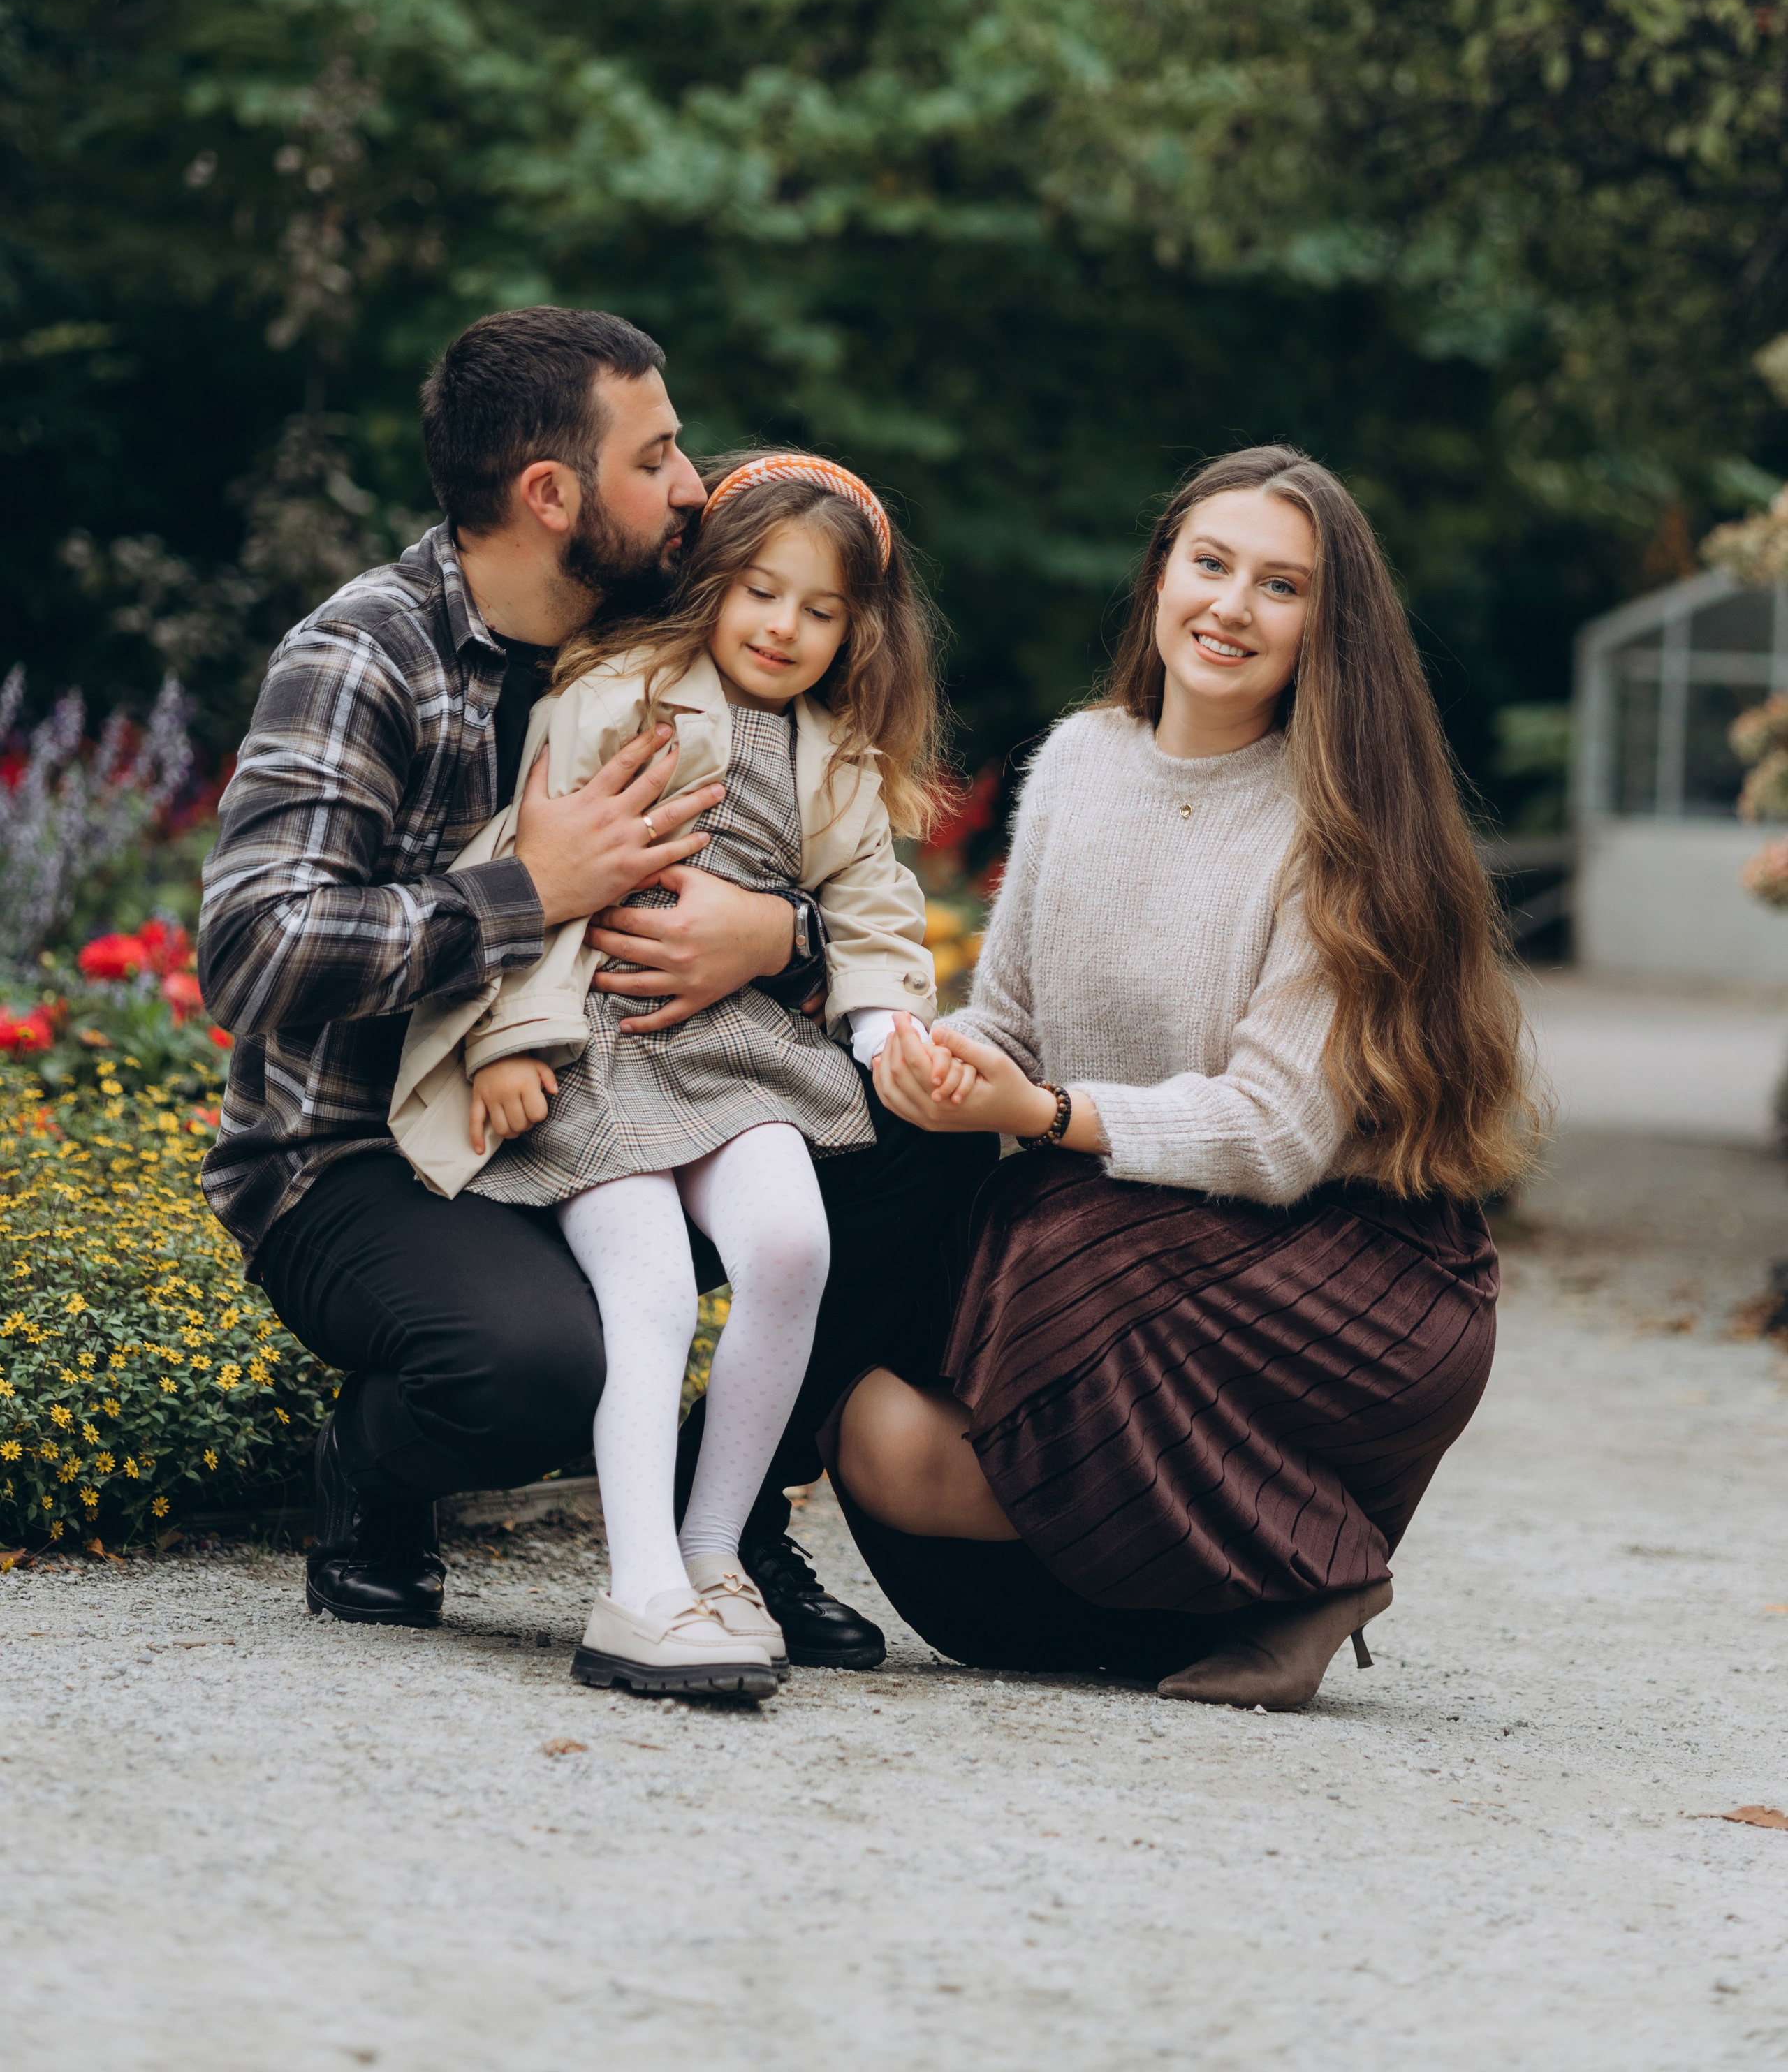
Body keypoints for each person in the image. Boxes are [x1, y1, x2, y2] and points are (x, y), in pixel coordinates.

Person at [196, 307, 988, 1660]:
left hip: (636, 1079)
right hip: (364, 1149)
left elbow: (819, 852)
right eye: (657, 456)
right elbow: (254, 949)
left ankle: (726, 1527)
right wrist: (529, 892)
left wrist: (780, 938)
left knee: (930, 1145)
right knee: (545, 1366)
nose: (691, 487)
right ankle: (372, 1466)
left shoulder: (680, 619)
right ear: (551, 495)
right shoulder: (365, 654)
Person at [833, 444, 1532, 1711]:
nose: (1232, 606)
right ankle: (1195, 1591)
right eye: (1211, 564)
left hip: (1353, 1275)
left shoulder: (1341, 828)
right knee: (881, 1425)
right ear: (1161, 576)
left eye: (1282, 586)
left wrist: (1042, 1113)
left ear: (1325, 626)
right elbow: (1014, 1021)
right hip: (1119, 1234)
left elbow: (1276, 1131)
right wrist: (947, 1062)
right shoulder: (1079, 761)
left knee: (1045, 1228)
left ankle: (1312, 1566)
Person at [387, 452, 941, 1698]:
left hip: (734, 1049)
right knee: (645, 1289)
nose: (784, 627)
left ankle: (711, 1554)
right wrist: (512, 1038)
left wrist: (882, 1027)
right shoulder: (621, 691)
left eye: (820, 610)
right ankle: (638, 1587)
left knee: (791, 1246)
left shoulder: (836, 753)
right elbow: (528, 867)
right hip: (597, 1039)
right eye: (761, 591)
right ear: (710, 579)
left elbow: (873, 904)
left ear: (857, 629)